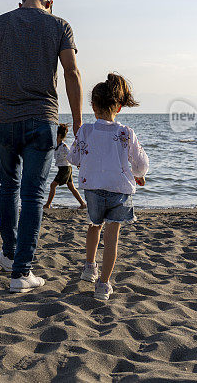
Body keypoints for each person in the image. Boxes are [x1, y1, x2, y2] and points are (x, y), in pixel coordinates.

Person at [0, 0, 83, 294]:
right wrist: (79, 122)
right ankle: (21, 272)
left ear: (21, 3)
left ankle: (10, 253)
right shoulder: (59, 25)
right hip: (42, 118)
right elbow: (71, 73)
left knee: (8, 188)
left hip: (3, 119)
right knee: (32, 196)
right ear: (49, 3)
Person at [68, 73, 149, 302]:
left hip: (93, 189)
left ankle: (89, 266)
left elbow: (74, 158)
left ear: (93, 106)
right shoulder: (125, 132)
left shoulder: (85, 131)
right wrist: (138, 175)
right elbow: (141, 164)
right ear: (119, 108)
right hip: (119, 191)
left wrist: (88, 159)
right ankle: (103, 285)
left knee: (94, 226)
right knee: (112, 237)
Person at [44, 123, 87, 209]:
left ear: (59, 135)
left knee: (53, 185)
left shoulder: (63, 146)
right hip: (64, 168)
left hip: (65, 169)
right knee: (71, 187)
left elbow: (71, 155)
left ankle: (48, 204)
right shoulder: (56, 145)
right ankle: (82, 204)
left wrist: (78, 163)